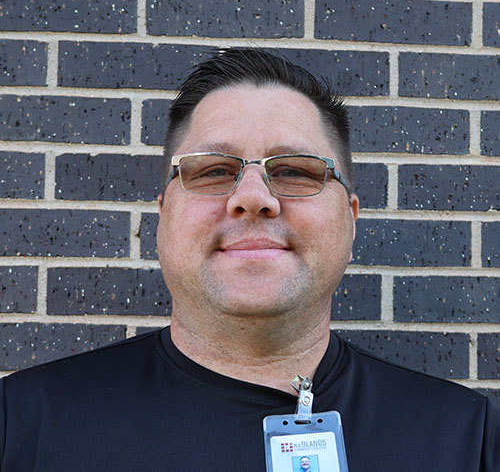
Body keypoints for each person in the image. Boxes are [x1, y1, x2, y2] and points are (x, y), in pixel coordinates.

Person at [0, 48, 499, 472]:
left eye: (297, 171)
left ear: (349, 221)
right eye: (214, 170)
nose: (254, 197)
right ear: (163, 215)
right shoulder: (23, 425)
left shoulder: (464, 438)